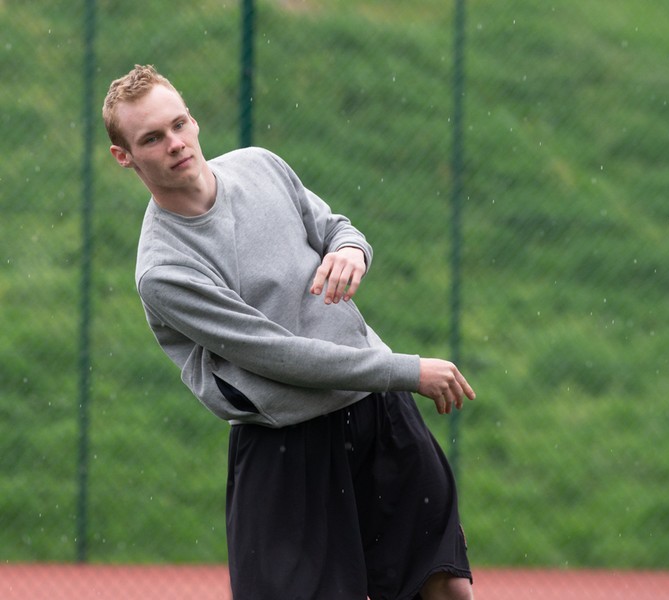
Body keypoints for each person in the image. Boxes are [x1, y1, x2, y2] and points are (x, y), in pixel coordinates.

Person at [103, 64, 476, 600]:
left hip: (377, 413)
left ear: (193, 118)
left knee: (443, 586)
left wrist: (351, 251)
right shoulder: (164, 271)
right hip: (288, 450)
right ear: (125, 156)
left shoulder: (260, 165)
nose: (175, 144)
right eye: (152, 138)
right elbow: (279, 356)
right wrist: (406, 371)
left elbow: (335, 228)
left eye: (179, 124)